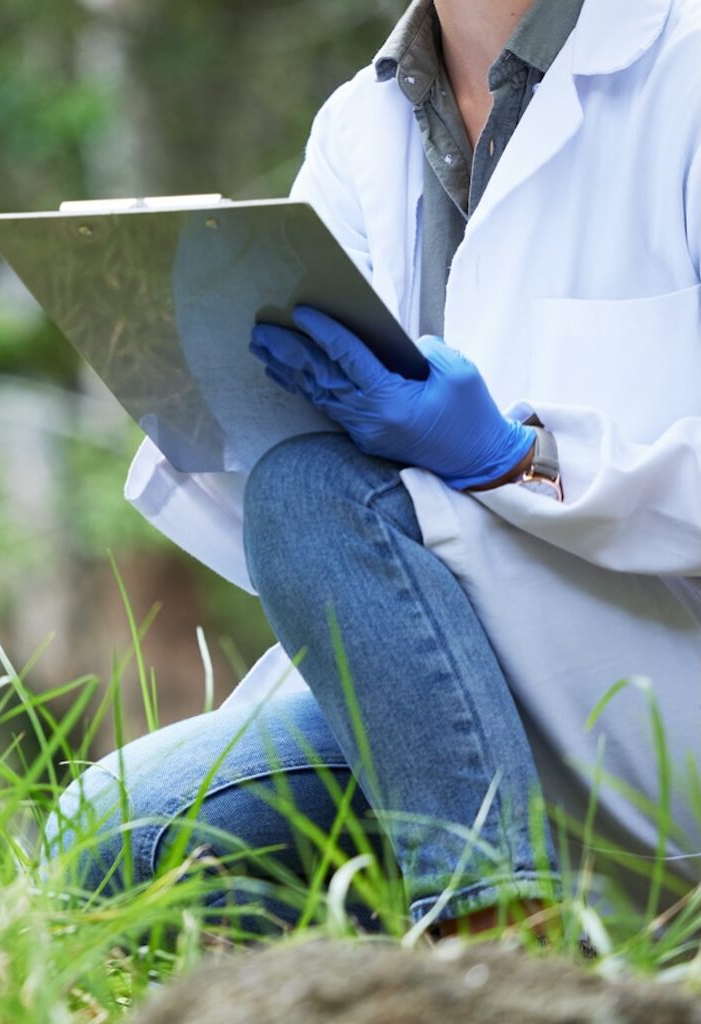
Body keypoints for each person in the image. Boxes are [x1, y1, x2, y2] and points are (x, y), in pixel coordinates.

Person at [49, 0, 701, 937]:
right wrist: (203, 371)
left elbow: (339, 499)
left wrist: (517, 459)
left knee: (309, 490)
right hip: (449, 687)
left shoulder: (680, 66)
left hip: (654, 690)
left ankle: (495, 944)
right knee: (110, 837)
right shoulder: (362, 125)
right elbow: (333, 525)